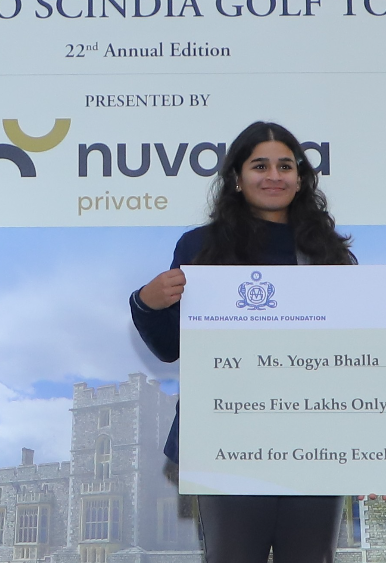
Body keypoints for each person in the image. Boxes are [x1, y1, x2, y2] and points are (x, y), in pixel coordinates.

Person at [130, 120, 355, 563]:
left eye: (285, 166)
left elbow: (352, 351)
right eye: (260, 165)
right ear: (237, 177)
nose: (274, 176)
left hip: (314, 438)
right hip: (225, 437)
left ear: (300, 178)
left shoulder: (327, 250)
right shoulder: (199, 246)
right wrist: (146, 303)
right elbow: (170, 347)